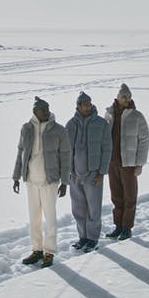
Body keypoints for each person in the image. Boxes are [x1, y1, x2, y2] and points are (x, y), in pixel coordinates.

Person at [12, 95, 71, 268]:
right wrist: (16, 176)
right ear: (35, 112)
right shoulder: (26, 129)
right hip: (31, 180)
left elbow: (66, 156)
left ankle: (49, 251)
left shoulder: (59, 130)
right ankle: (37, 249)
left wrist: (65, 182)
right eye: (43, 110)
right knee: (34, 218)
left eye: (47, 109)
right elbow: (20, 152)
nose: (47, 112)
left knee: (50, 217)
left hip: (50, 181)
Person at [65, 90, 112, 252]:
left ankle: (92, 238)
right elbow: (65, 150)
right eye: (85, 104)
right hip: (74, 175)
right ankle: (82, 237)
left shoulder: (101, 123)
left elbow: (107, 149)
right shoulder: (71, 124)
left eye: (89, 103)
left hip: (93, 175)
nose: (88, 106)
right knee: (78, 209)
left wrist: (101, 172)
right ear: (78, 106)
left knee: (94, 209)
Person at [104, 83, 149, 241]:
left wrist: (140, 164)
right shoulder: (109, 115)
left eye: (129, 97)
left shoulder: (137, 116)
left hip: (129, 164)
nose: (127, 99)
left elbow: (144, 140)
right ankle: (118, 226)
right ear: (117, 97)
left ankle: (127, 228)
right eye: (124, 96)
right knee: (116, 197)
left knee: (130, 197)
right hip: (112, 163)